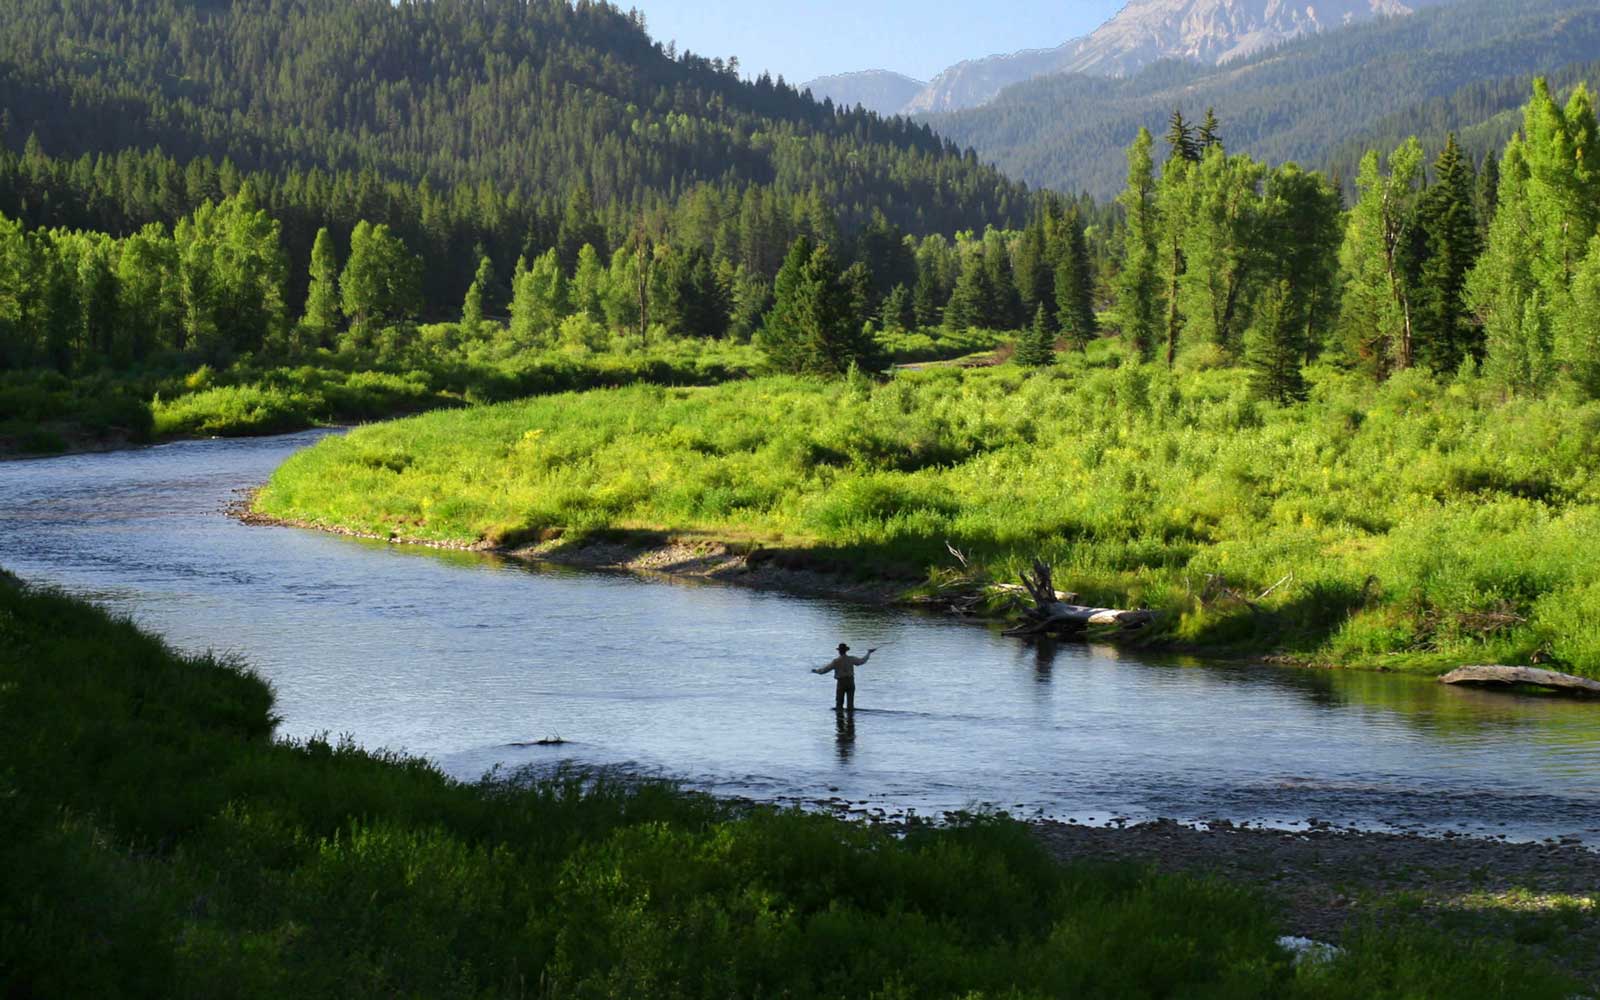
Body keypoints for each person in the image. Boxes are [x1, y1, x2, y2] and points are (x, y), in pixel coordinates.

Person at [813, 642, 875, 712]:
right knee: (850, 706)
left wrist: (816, 671)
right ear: (846, 651)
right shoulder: (851, 659)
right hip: (851, 682)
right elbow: (862, 661)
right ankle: (850, 720)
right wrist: (869, 653)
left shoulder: (836, 661)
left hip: (841, 683)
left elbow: (824, 670)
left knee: (839, 704)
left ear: (839, 651)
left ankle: (840, 720)